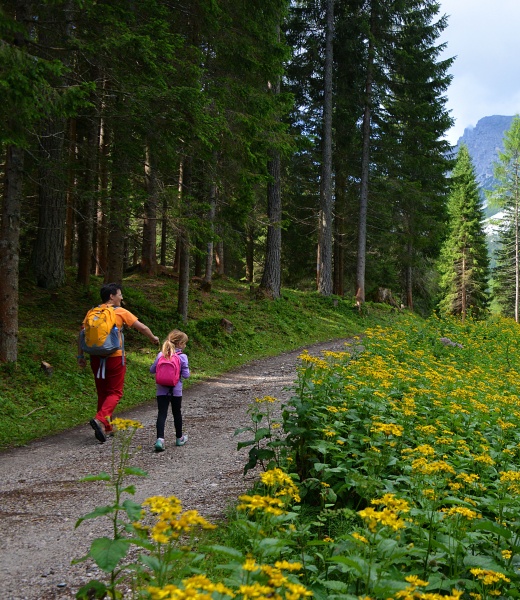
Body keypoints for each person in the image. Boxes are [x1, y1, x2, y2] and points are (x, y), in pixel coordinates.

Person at [78, 283, 159, 443]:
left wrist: (80, 357)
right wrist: (153, 338)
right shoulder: (120, 312)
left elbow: (81, 335)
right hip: (114, 357)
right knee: (115, 392)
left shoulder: (92, 312)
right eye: (120, 294)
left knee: (103, 393)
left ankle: (106, 428)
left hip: (95, 357)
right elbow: (142, 327)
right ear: (111, 296)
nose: (121, 297)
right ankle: (100, 419)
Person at [150, 329, 190, 452]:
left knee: (162, 414)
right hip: (176, 391)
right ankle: (179, 438)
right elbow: (186, 375)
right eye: (184, 343)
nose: (185, 345)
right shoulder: (182, 357)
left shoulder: (161, 355)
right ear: (179, 344)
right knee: (176, 413)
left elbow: (152, 370)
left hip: (161, 391)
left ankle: (160, 440)